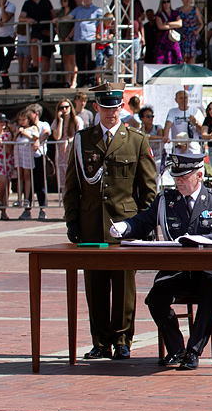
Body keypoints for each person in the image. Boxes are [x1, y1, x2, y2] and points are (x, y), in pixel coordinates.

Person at [109, 153, 212, 370]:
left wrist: (201, 240)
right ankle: (176, 348)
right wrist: (123, 228)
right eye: (176, 177)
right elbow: (143, 222)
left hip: (208, 271)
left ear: (199, 175)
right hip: (177, 271)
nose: (178, 181)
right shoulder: (165, 200)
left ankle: (193, 351)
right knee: (156, 298)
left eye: (184, 177)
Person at [64, 83, 158, 360]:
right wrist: (73, 221)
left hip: (124, 225)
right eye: (105, 108)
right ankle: (100, 341)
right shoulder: (83, 140)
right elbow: (72, 186)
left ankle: (122, 339)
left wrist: (142, 223)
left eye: (115, 107)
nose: (110, 113)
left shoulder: (136, 140)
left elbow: (148, 189)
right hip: (92, 223)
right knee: (95, 285)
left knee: (124, 286)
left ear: (122, 107)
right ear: (96, 108)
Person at [16, 104, 51, 220]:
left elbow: (46, 133)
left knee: (39, 182)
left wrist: (38, 141)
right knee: (28, 181)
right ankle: (27, 209)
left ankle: (42, 209)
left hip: (38, 156)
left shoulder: (42, 124)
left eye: (29, 113)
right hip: (26, 157)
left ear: (35, 114)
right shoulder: (26, 126)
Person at [52, 99, 84, 199]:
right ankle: (66, 207)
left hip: (73, 152)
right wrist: (60, 121)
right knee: (63, 181)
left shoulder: (76, 120)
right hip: (61, 154)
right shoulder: (56, 121)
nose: (64, 110)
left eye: (66, 107)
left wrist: (68, 140)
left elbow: (80, 134)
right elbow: (56, 137)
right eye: (61, 108)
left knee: (74, 179)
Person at [71, 0, 104, 87]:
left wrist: (100, 36)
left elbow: (103, 23)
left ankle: (91, 81)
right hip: (79, 40)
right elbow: (69, 17)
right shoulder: (78, 10)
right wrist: (58, 19)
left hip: (91, 40)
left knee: (91, 62)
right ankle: (81, 81)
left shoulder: (97, 10)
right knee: (79, 62)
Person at [163, 89, 204, 154]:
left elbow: (203, 130)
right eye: (181, 98)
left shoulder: (196, 111)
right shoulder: (172, 111)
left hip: (193, 147)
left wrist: (195, 123)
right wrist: (166, 136)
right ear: (176, 100)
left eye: (185, 98)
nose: (183, 100)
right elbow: (167, 125)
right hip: (178, 147)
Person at [54, 0, 78, 87]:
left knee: (72, 60)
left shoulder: (73, 11)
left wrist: (69, 36)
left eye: (65, 0)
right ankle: (67, 80)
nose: (63, 2)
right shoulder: (61, 13)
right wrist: (59, 37)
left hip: (70, 38)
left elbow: (75, 25)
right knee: (65, 59)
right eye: (62, 1)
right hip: (62, 39)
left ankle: (73, 80)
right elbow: (58, 25)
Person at [154, 0, 183, 65]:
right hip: (163, 40)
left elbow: (179, 24)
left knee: (176, 58)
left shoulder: (175, 13)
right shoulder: (159, 14)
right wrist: (173, 25)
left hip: (173, 40)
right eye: (164, 2)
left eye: (168, 1)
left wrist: (168, 23)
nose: (166, 4)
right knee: (162, 59)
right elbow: (160, 26)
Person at [176, 0, 202, 65]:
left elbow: (201, 23)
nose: (188, 0)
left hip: (192, 36)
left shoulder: (195, 9)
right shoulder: (178, 10)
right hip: (182, 36)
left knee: (191, 58)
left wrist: (198, 31)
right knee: (181, 58)